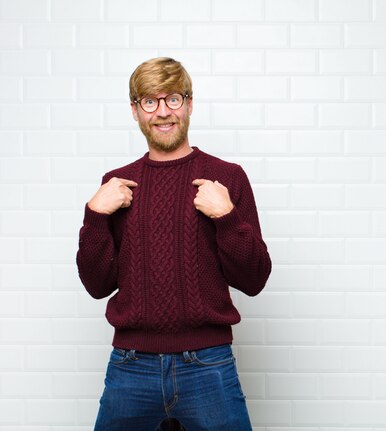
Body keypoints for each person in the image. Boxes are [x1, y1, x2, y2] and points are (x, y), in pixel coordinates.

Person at [76, 57, 272, 431]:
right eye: (150, 102)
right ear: (135, 111)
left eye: (173, 100)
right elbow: (97, 286)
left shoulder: (226, 178)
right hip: (131, 366)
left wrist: (226, 217)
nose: (163, 112)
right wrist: (95, 216)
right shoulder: (117, 184)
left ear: (190, 104)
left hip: (208, 364)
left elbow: (254, 279)